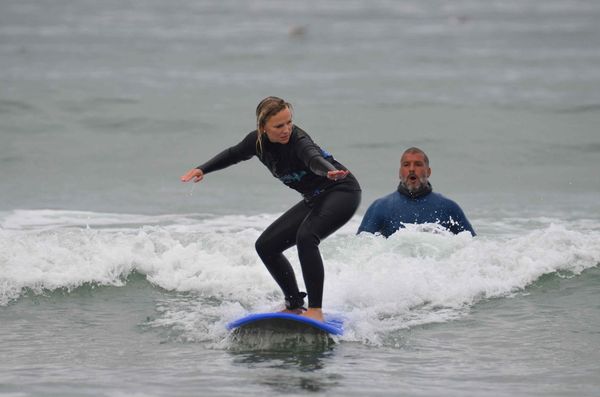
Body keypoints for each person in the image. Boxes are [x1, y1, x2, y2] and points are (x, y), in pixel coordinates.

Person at [181, 97, 361, 322]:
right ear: (263, 128)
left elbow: (312, 157)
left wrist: (327, 171)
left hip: (341, 191)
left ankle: (316, 310)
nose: (286, 130)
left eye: (289, 123)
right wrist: (202, 169)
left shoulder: (299, 140)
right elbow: (233, 154)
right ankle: (294, 304)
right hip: (314, 198)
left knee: (307, 237)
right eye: (279, 126)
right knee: (266, 246)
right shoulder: (256, 142)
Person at [357, 147, 475, 237]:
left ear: (428, 172)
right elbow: (359, 249)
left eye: (418, 164)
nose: (412, 169)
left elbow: (473, 248)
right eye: (406, 165)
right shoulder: (381, 207)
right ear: (400, 172)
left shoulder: (449, 208)